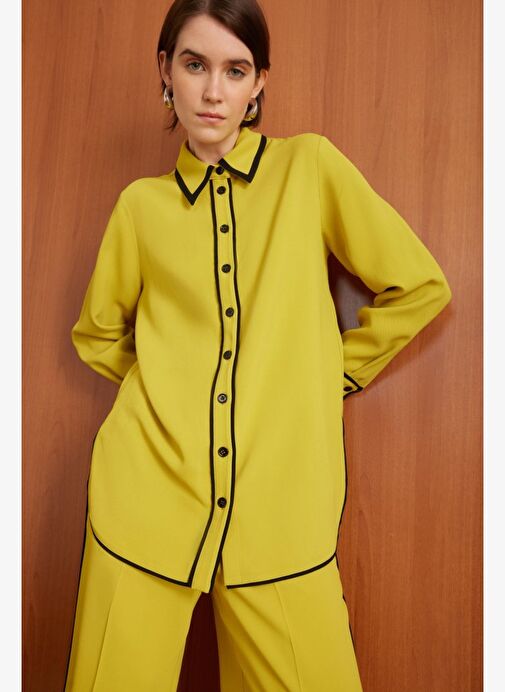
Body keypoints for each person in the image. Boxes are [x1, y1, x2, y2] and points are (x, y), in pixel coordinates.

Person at [63, 0, 452, 690]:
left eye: (235, 70)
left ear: (259, 82)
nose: (213, 91)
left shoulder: (309, 169)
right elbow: (96, 334)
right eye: (195, 65)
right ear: (165, 71)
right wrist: (170, 386)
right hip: (143, 503)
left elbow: (419, 287)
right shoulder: (140, 208)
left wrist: (321, 376)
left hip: (281, 513)